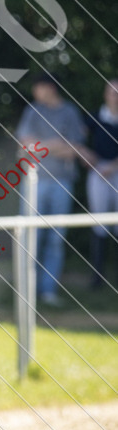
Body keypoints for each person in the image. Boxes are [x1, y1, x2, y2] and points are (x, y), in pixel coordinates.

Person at [16, 72, 87, 307]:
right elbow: (25, 145)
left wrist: (41, 147)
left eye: (38, 87)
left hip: (63, 182)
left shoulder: (70, 112)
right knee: (31, 236)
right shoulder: (32, 111)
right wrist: (57, 144)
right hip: (34, 183)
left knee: (56, 239)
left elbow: (75, 150)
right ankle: (26, 291)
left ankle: (48, 291)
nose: (35, 92)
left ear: (50, 88)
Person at [84, 78, 118, 288]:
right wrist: (87, 156)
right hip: (98, 174)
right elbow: (78, 137)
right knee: (99, 223)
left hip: (115, 170)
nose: (116, 97)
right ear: (106, 95)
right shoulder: (96, 117)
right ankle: (97, 278)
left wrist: (113, 167)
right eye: (113, 92)